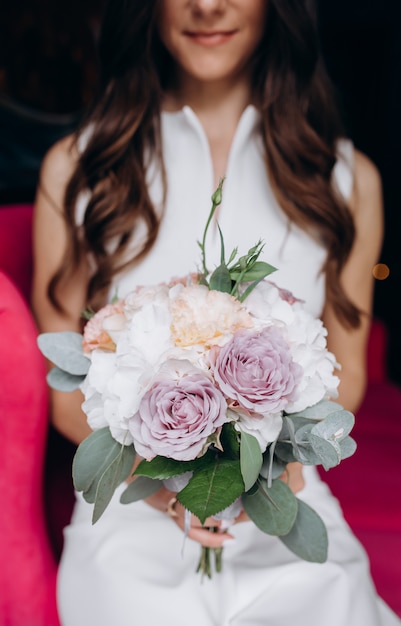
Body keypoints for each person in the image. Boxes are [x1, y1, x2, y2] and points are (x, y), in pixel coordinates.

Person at [31, 1, 400, 624]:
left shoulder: (345, 180)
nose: (207, 5)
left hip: (285, 497)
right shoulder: (78, 168)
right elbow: (63, 389)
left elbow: (350, 371)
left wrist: (268, 462)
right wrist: (168, 485)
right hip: (130, 508)